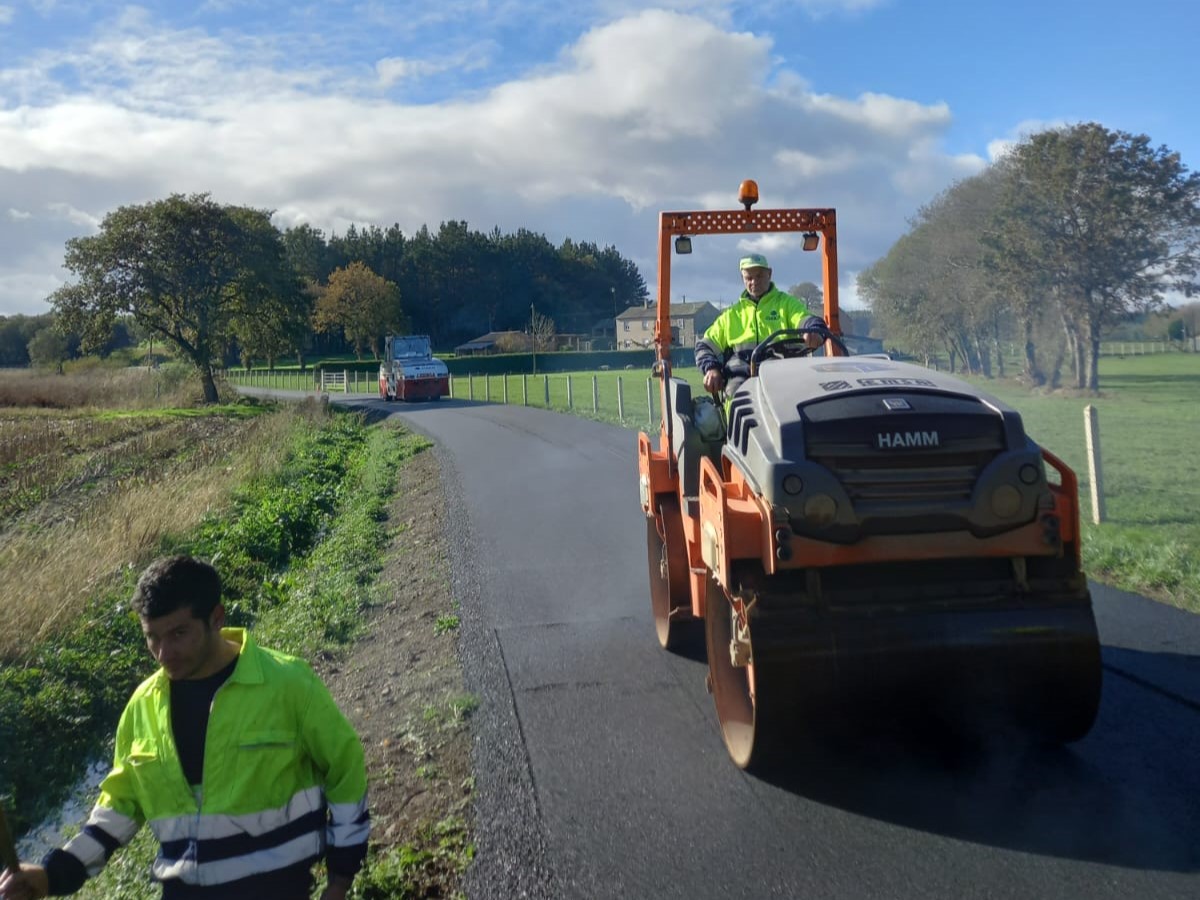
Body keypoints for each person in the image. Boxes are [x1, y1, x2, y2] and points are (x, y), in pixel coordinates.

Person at [0, 556, 369, 900]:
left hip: (278, 888)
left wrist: (340, 878)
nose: (163, 653)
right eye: (152, 637)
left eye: (178, 634)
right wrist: (51, 874)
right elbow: (119, 809)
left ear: (216, 618)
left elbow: (345, 772)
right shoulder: (142, 707)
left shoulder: (288, 684)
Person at [695, 253, 822, 399]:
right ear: (742, 278)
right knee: (733, 395)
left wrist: (813, 330)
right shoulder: (731, 316)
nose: (754, 282)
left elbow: (805, 319)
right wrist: (711, 368)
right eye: (749, 278)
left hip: (781, 380)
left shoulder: (786, 304)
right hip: (740, 385)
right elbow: (704, 347)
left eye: (759, 276)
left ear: (769, 274)